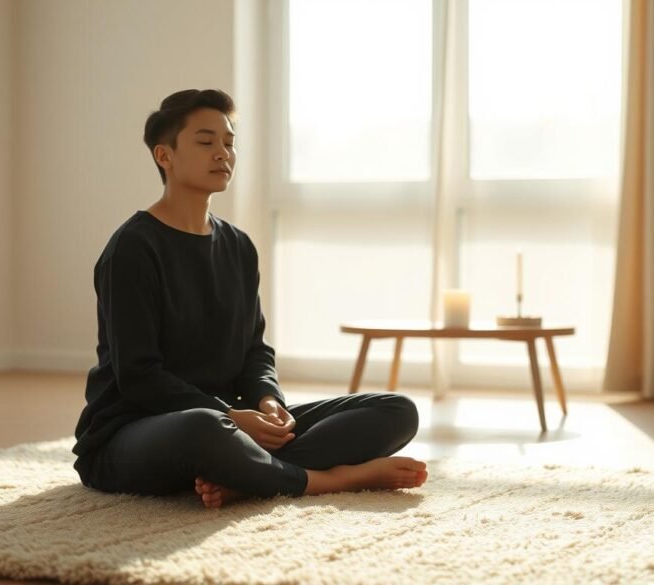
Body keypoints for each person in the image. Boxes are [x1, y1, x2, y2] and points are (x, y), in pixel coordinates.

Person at [72, 89, 428, 508]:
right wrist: (231, 417)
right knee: (204, 428)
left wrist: (267, 401)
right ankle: (324, 480)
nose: (222, 153)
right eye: (206, 142)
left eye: (229, 142)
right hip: (138, 430)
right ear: (163, 156)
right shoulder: (132, 248)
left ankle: (244, 476)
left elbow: (254, 351)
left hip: (237, 424)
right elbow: (138, 377)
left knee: (397, 410)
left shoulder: (238, 246)